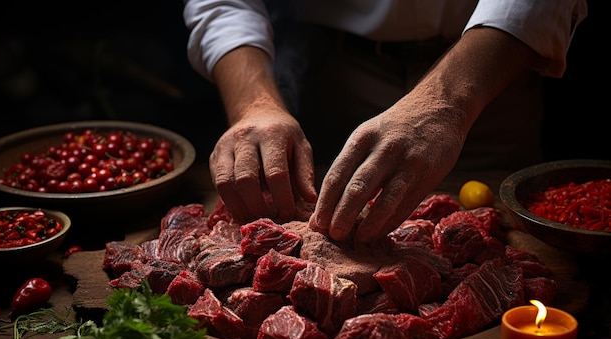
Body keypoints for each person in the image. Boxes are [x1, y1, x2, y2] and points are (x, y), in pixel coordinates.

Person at [182, 0, 588, 244]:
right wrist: (253, 104)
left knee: (497, 231)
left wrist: (447, 102)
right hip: (337, 71)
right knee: (314, 202)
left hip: (493, 69)